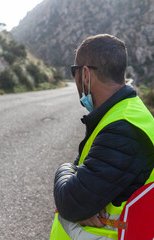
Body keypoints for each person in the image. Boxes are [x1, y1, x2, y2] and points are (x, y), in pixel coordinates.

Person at [50, 34, 154, 240]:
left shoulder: (122, 130)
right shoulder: (127, 112)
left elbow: (70, 202)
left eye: (75, 72)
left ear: (85, 74)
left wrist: (63, 168)